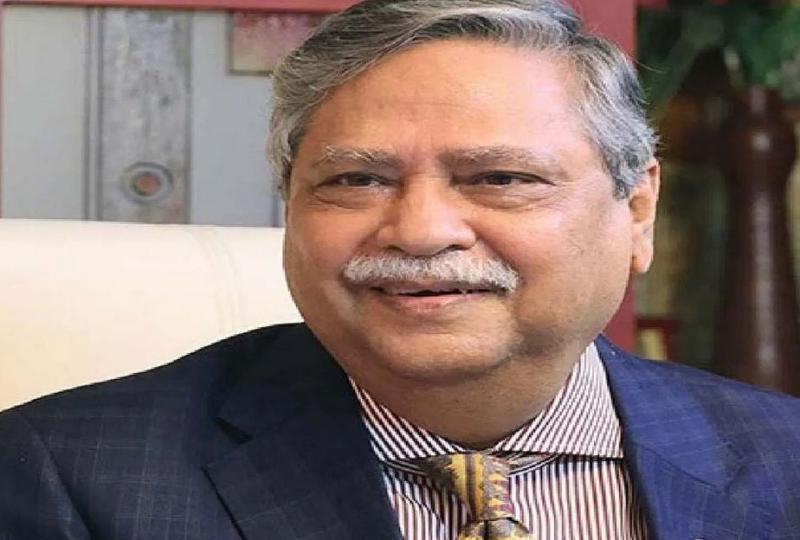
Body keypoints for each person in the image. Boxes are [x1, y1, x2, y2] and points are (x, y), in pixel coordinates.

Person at [2, 0, 799, 538]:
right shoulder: (73, 476)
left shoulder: (784, 461)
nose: (420, 231)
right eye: (356, 180)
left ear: (637, 212)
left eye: (500, 178)